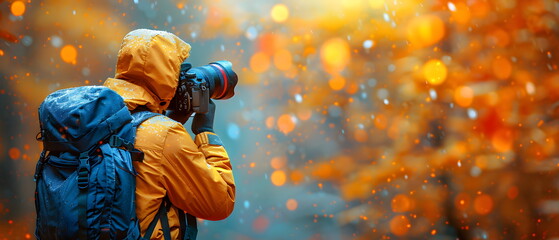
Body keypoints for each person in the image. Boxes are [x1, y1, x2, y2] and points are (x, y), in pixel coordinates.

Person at [103, 29, 236, 239]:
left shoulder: (101, 118)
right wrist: (206, 132)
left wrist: (168, 118)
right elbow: (221, 203)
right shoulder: (163, 135)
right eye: (176, 71)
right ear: (164, 75)